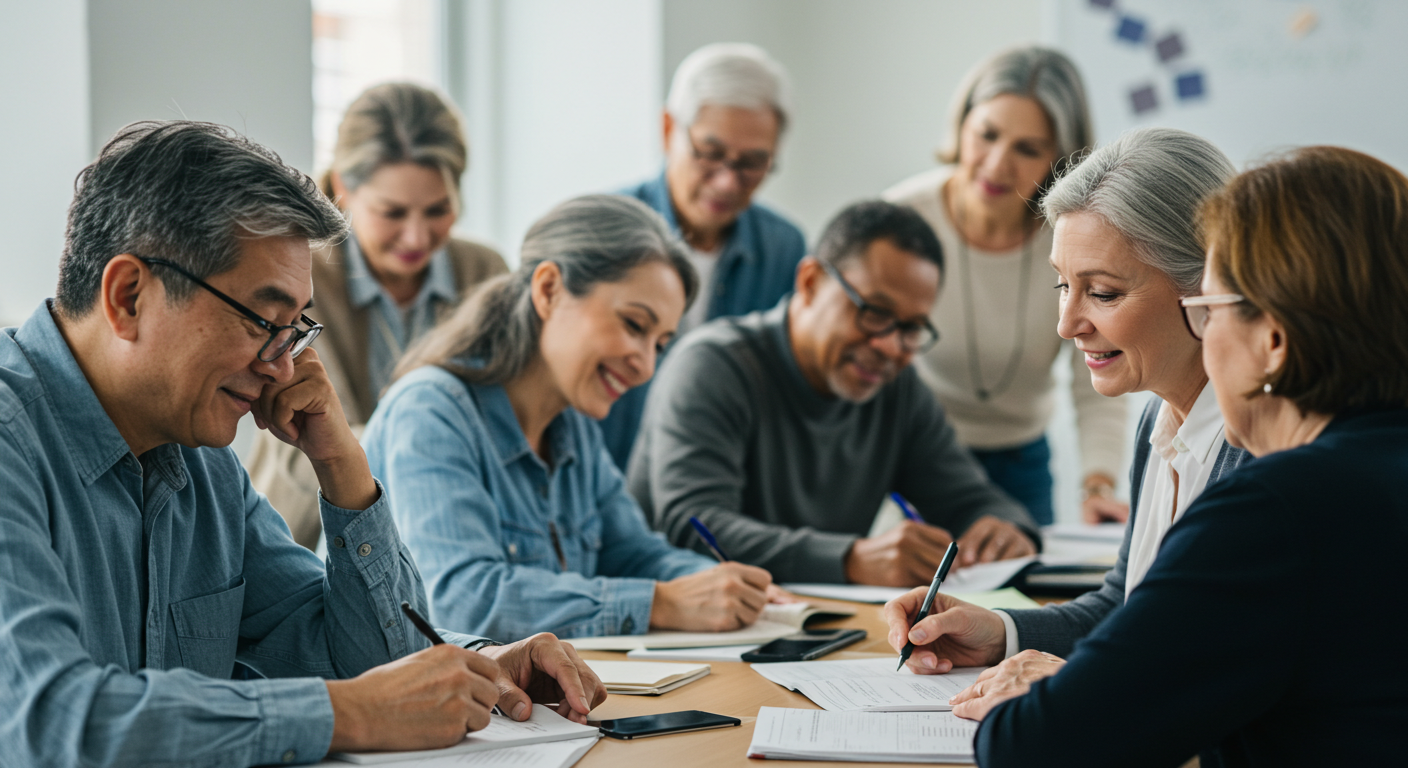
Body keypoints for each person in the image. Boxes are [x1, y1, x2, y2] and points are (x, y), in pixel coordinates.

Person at [0, 121, 605, 768]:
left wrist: (343, 467)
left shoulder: (202, 462)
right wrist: (351, 712)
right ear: (129, 296)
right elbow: (47, 719)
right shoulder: (15, 440)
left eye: (295, 329)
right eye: (264, 320)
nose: (283, 368)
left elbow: (357, 660)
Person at [970, 146, 1408, 766]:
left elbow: (1033, 747)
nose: (1068, 324)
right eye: (1064, 286)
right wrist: (1012, 637)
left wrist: (1064, 693)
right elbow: (1142, 613)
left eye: (1211, 309)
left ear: (1274, 340)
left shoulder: (1277, 505)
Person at [884, 127, 1246, 697]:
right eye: (1062, 284)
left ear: (1206, 284)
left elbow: (1239, 670)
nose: (1066, 324)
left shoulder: (1263, 450)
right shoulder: (1159, 420)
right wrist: (999, 631)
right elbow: (1125, 610)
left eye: (1102, 293)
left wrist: (1089, 689)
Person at [362, 194, 776, 642]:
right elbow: (463, 600)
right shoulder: (431, 412)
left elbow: (633, 553)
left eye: (659, 343)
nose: (646, 366)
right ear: (549, 290)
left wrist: (724, 587)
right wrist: (662, 603)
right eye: (635, 325)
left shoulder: (572, 424)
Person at [628, 200, 1038, 587]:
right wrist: (849, 560)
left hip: (813, 634)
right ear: (810, 282)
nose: (891, 346)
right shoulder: (712, 366)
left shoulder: (896, 388)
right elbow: (692, 526)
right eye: (874, 312)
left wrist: (1004, 529)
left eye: (911, 328)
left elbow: (969, 498)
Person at [246, 83, 507, 549]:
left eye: (438, 210)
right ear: (343, 186)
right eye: (393, 212)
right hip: (306, 528)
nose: (416, 237)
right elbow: (324, 426)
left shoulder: (484, 273)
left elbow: (504, 419)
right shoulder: (301, 276)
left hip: (448, 530)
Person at [884, 46, 1127, 526]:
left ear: (1060, 158)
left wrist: (1098, 483)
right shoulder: (900, 222)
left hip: (1022, 464)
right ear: (962, 125)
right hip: (915, 457)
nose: (996, 165)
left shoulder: (1073, 239)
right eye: (987, 135)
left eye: (1027, 148)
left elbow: (1096, 376)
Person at [601, 42, 807, 471]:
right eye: (710, 154)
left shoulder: (783, 249)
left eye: (753, 162)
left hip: (718, 485)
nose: (728, 182)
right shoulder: (603, 229)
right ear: (667, 129)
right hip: (602, 481)